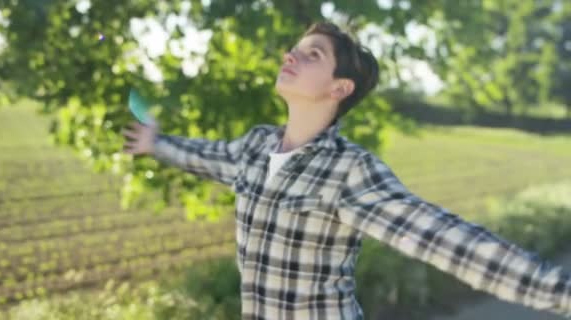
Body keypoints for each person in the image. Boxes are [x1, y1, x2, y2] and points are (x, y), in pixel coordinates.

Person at [122, 21, 571, 320]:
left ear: (340, 88)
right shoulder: (255, 146)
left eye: (312, 54)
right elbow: (206, 156)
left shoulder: (349, 171)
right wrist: (156, 144)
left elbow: (445, 239)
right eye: (294, 49)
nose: (291, 56)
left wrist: (559, 291)